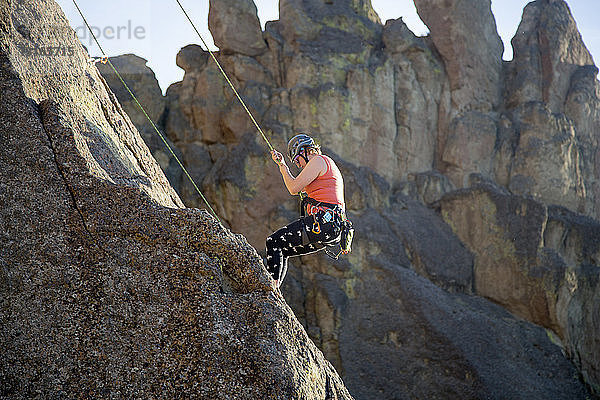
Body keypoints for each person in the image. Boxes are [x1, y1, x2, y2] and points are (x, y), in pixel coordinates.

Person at [267, 133, 346, 288]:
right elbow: (294, 186)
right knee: (283, 249)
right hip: (330, 229)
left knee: (274, 241)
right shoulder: (324, 165)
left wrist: (283, 166)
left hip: (323, 223)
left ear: (304, 150)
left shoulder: (318, 160)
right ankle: (274, 292)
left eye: (297, 160)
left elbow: (294, 188)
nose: (299, 165)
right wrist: (282, 164)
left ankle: (269, 290)